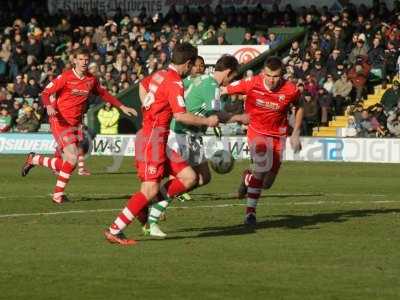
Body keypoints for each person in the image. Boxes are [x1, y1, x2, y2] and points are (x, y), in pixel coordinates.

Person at [104, 43, 219, 246]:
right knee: (149, 189)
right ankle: (115, 229)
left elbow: (142, 85)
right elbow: (181, 116)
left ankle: (145, 207)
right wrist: (208, 121)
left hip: (158, 137)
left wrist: (148, 109)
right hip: (152, 139)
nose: (193, 70)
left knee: (189, 177)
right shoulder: (175, 82)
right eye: (193, 66)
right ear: (189, 63)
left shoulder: (160, 74)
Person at [145, 54, 248, 237]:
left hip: (191, 135)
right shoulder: (213, 87)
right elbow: (217, 116)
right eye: (232, 77)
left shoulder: (201, 78)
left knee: (203, 178)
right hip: (182, 134)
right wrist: (240, 118)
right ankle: (153, 213)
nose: (231, 81)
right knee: (188, 178)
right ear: (229, 72)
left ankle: (162, 197)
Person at [21, 47, 137, 203]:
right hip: (60, 121)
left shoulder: (91, 79)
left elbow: (104, 93)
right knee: (73, 157)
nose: (84, 62)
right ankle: (57, 195)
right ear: (74, 60)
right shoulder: (66, 77)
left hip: (75, 124)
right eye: (81, 59)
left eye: (86, 59)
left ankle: (34, 159)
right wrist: (48, 106)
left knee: (69, 162)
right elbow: (45, 93)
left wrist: (122, 107)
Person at [221, 56, 303, 226]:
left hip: (278, 136)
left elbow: (300, 105)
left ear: (282, 75)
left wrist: (296, 132)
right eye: (268, 75)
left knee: (267, 183)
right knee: (260, 168)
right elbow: (222, 89)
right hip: (256, 132)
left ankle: (246, 178)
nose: (272, 80)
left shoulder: (290, 89)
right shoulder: (251, 82)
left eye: (276, 76)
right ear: (263, 73)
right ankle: (250, 213)